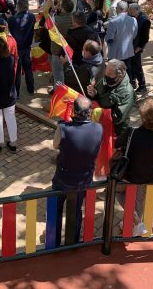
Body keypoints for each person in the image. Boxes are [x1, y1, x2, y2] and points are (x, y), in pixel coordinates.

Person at [51, 95, 102, 245]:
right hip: (83, 178)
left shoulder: (63, 128)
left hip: (63, 177)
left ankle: (53, 241)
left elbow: (55, 145)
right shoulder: (98, 129)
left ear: (74, 110)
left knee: (56, 208)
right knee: (76, 209)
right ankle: (72, 241)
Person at [114, 100, 153, 236]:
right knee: (138, 203)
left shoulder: (131, 132)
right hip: (147, 176)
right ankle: (133, 226)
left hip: (127, 175)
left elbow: (117, 143)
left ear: (143, 118)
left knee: (116, 191)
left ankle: (135, 222)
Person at [87, 59, 135, 138]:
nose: (105, 76)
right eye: (105, 72)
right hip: (101, 124)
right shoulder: (106, 78)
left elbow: (117, 118)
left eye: (109, 74)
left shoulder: (127, 93)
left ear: (119, 75)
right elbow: (99, 94)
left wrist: (96, 111)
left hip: (116, 131)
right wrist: (94, 94)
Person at [8, 0, 36, 96]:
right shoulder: (32, 17)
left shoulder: (11, 19)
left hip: (17, 48)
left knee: (17, 70)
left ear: (18, 7)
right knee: (28, 68)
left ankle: (17, 92)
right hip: (27, 47)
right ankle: (31, 89)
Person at [127, 3, 150, 95]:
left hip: (137, 47)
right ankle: (133, 82)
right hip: (131, 46)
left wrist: (138, 48)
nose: (129, 13)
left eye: (131, 11)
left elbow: (145, 38)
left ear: (136, 10)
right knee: (132, 65)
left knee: (137, 67)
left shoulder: (144, 21)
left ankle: (143, 86)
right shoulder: (133, 16)